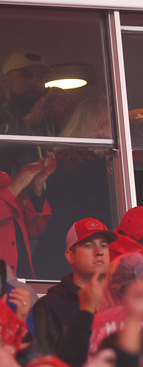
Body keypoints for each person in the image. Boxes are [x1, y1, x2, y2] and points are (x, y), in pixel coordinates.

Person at [32, 96, 114, 280]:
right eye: (115, 123)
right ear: (100, 126)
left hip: (76, 250)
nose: (123, 131)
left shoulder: (87, 159)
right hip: (66, 253)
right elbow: (107, 200)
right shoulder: (74, 159)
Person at [32, 217, 117, 355]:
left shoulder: (121, 300)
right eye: (89, 245)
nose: (99, 252)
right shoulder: (49, 307)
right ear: (70, 256)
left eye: (103, 245)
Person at [0, 50, 73, 175]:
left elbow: (67, 165)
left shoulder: (51, 118)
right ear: (5, 81)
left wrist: (68, 121)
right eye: (26, 75)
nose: (35, 83)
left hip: (48, 194)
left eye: (40, 77)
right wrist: (26, 123)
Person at [0, 152, 55, 279]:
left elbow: (34, 229)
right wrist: (16, 186)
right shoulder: (11, 182)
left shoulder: (5, 178)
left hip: (20, 280)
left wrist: (37, 187)